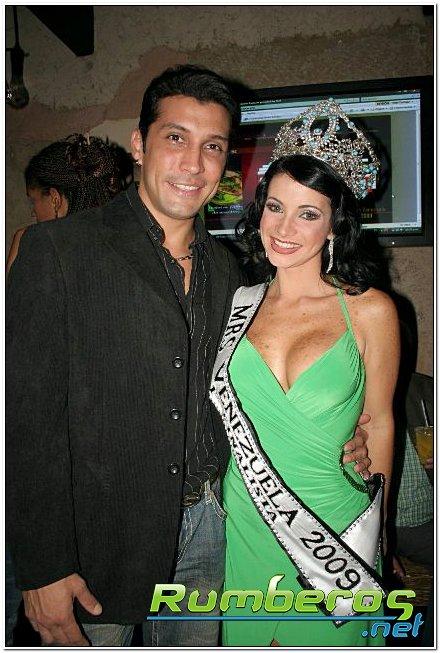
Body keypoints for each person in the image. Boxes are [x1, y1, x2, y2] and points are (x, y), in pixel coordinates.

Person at [6, 67, 371, 648]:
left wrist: (350, 432)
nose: (193, 164)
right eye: (176, 138)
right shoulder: (60, 250)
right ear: (139, 144)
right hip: (98, 541)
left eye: (213, 146)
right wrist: (43, 566)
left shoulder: (234, 273)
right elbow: (25, 420)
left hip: (211, 529)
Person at [210, 99, 400, 646]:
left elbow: (380, 423)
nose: (284, 228)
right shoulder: (235, 303)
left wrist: (381, 532)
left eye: (308, 213)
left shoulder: (370, 310)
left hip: (336, 527)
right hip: (249, 520)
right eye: (275, 207)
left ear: (335, 224)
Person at [6, 133, 124, 274]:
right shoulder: (115, 242)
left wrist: (24, 242)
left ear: (55, 199)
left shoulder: (38, 245)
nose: (33, 212)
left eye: (33, 201)